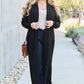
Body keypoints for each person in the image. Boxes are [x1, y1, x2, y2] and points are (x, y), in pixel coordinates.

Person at [21, 0, 61, 84]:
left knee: (47, 64)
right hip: (34, 39)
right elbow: (23, 22)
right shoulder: (30, 5)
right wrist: (31, 25)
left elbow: (58, 23)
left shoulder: (52, 6)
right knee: (37, 64)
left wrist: (52, 23)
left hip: (48, 39)